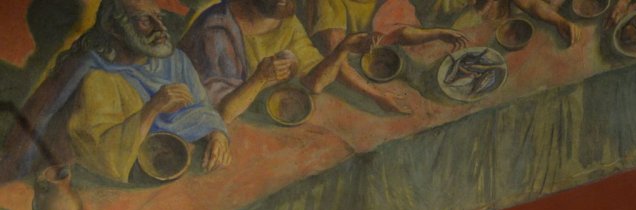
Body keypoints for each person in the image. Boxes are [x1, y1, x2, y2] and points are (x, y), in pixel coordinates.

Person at [13, 0, 229, 184]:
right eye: (145, 21)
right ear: (115, 29)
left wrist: (217, 133)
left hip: (181, 169)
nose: (160, 28)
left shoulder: (176, 60)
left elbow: (203, 108)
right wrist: (152, 108)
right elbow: (103, 157)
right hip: (124, 182)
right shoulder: (94, 76)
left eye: (158, 17)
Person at [181, 0, 374, 123]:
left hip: (259, 118)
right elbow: (222, 113)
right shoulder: (217, 31)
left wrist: (341, 51)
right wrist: (260, 79)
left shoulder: (282, 16)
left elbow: (315, 83)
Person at [306, 0, 464, 114]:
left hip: (378, 64)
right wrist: (379, 97)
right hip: (340, 78)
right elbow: (338, 62)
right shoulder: (327, 3)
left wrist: (436, 33)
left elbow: (398, 32)